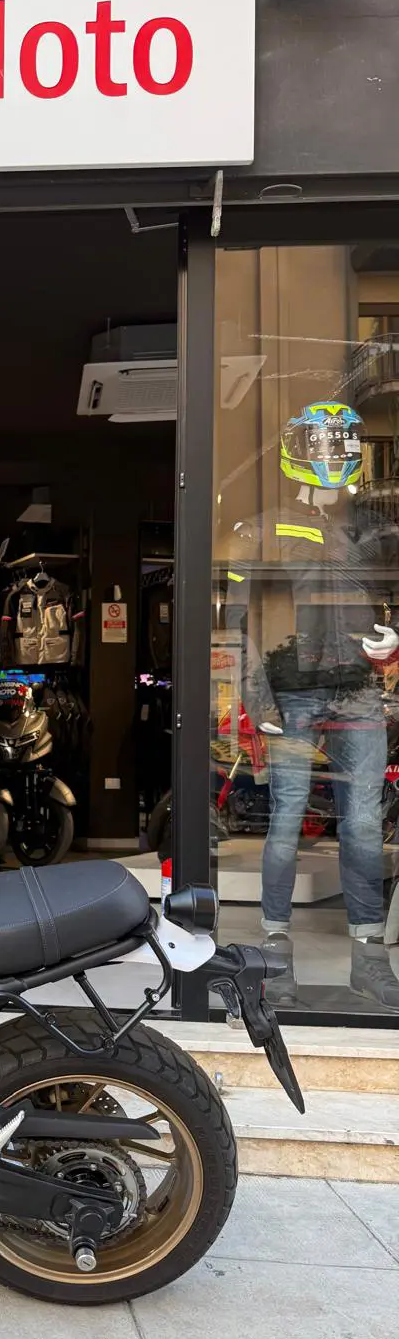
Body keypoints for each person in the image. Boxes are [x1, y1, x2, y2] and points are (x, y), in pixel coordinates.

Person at [228, 401, 399, 1010]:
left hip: (357, 689)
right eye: (327, 444)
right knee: (286, 820)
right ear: (299, 451)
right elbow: (237, 620)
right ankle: (275, 955)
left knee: (363, 824)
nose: (336, 456)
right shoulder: (262, 529)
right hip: (292, 689)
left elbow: (384, 603)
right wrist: (258, 696)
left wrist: (392, 639)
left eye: (344, 445)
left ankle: (369, 959)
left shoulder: (369, 535)